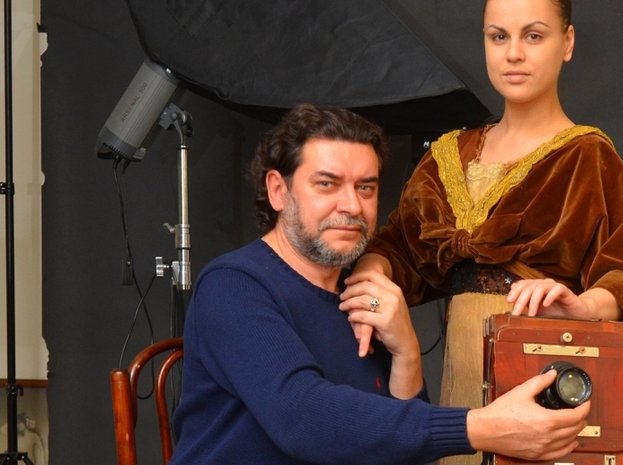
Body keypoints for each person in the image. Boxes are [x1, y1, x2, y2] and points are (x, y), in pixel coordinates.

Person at [169, 103, 591, 465]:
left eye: (365, 187)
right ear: (278, 191)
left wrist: (406, 352)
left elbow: (405, 453)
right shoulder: (234, 286)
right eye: (327, 184)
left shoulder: (366, 294)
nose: (352, 205)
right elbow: (301, 417)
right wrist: (482, 427)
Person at [350, 2, 623, 462]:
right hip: (461, 382)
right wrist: (370, 276)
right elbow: (398, 248)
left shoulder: (589, 156)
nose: (513, 53)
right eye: (499, 36)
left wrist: (583, 306)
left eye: (533, 36)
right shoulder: (448, 154)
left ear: (567, 42)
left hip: (545, 368)